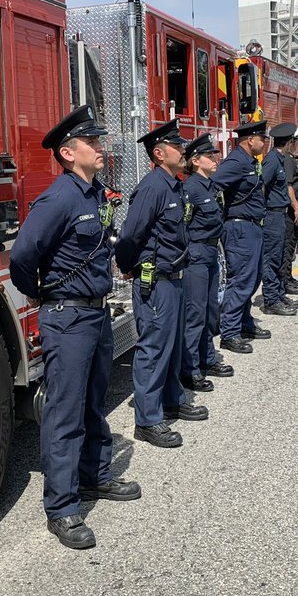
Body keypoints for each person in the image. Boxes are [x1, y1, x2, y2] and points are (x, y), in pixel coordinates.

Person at [10, 105, 140, 550]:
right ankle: (62, 508)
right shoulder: (58, 199)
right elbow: (23, 258)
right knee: (64, 411)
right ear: (68, 153)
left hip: (95, 313)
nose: (101, 148)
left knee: (92, 402)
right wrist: (38, 293)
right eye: (93, 142)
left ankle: (95, 476)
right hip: (66, 317)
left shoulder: (93, 195)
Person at [115, 120, 208, 451]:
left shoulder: (175, 185)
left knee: (173, 344)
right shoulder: (153, 187)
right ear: (159, 152)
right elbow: (130, 235)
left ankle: (172, 400)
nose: (184, 150)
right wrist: (128, 267)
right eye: (177, 146)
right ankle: (149, 420)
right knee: (154, 348)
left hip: (174, 278)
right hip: (155, 282)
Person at [177, 134, 234, 392]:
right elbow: (183, 226)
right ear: (196, 161)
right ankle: (190, 370)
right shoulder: (189, 189)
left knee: (211, 310)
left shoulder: (209, 186)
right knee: (195, 313)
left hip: (211, 254)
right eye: (210, 156)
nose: (215, 159)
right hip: (196, 256)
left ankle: (207, 359)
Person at [212, 119, 272, 354]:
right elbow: (212, 186)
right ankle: (229, 333)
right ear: (250, 140)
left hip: (252, 228)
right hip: (239, 229)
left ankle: (245, 323)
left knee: (253, 278)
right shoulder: (236, 162)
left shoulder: (249, 161)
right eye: (262, 139)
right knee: (240, 281)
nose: (265, 143)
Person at [258, 122, 298, 318]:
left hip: (280, 214)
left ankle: (279, 294)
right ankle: (271, 300)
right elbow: (261, 187)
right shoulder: (272, 160)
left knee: (281, 256)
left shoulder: (280, 158)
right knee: (272, 259)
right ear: (289, 141)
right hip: (272, 215)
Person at [278, 124, 298, 296]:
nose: (297, 143)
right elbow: (288, 186)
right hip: (289, 211)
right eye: (295, 140)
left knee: (291, 245)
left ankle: (288, 277)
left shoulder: (289, 157)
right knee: (288, 246)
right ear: (291, 141)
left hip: (293, 206)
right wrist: (296, 208)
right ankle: (285, 281)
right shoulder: (288, 160)